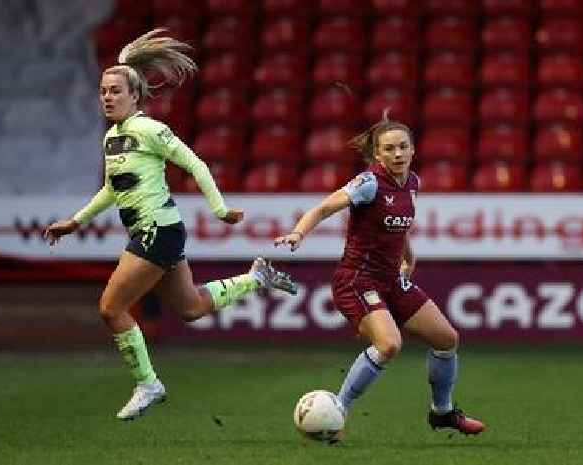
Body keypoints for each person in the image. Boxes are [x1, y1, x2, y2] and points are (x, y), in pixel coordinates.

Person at [44, 29, 298, 421]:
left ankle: (148, 383)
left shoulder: (149, 130)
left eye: (115, 90)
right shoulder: (113, 137)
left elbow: (195, 162)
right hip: (156, 232)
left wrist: (220, 209)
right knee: (191, 307)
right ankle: (255, 278)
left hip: (156, 231)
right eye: (103, 91)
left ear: (135, 95)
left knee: (111, 309)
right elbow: (112, 189)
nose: (107, 97)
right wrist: (76, 221)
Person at [274, 114, 485, 435]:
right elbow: (323, 209)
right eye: (389, 149)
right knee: (389, 345)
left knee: (447, 339)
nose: (398, 154)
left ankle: (442, 412)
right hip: (358, 279)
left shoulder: (413, 182)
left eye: (403, 147)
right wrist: (298, 234)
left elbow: (399, 227)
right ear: (377, 155)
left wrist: (409, 257)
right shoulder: (368, 183)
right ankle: (338, 411)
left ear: (413, 150)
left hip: (391, 279)